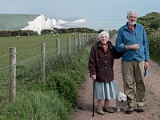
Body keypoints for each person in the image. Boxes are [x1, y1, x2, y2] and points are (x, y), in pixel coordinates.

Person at [115, 10, 149, 114]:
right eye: (131, 17)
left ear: (136, 18)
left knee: (140, 82)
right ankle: (130, 105)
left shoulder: (141, 28)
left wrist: (146, 60)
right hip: (127, 61)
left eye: (134, 17)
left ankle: (140, 104)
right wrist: (129, 47)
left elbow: (145, 44)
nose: (133, 19)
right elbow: (117, 46)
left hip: (140, 59)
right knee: (128, 83)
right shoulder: (122, 30)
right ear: (127, 18)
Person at [88, 31, 122, 115]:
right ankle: (99, 108)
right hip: (99, 74)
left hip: (109, 73)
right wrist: (93, 73)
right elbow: (91, 62)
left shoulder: (111, 47)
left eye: (105, 37)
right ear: (100, 38)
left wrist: (122, 48)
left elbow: (117, 55)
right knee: (100, 91)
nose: (104, 38)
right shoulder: (95, 48)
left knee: (108, 91)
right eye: (102, 37)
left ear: (108, 38)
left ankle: (106, 107)